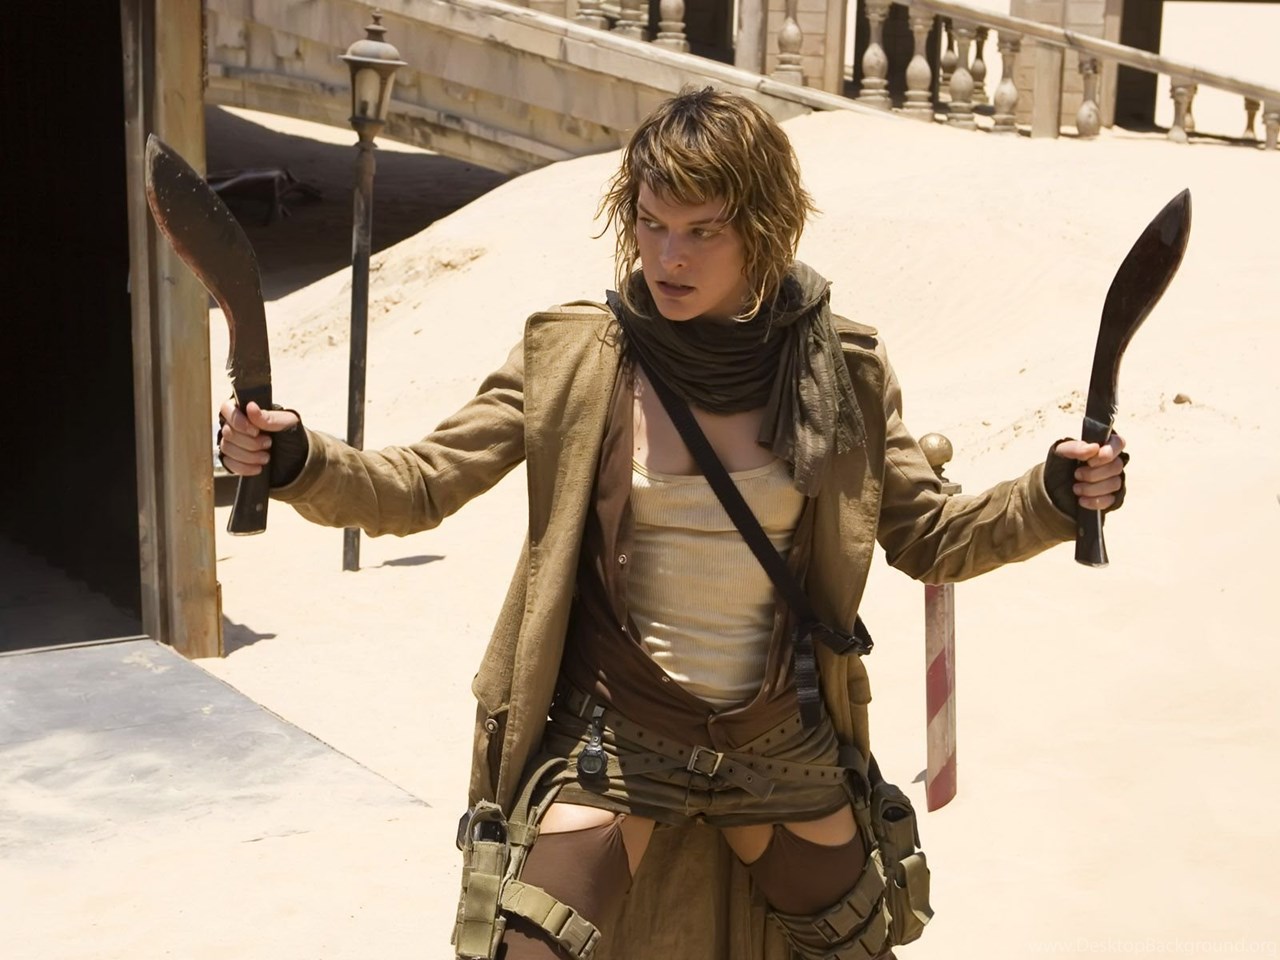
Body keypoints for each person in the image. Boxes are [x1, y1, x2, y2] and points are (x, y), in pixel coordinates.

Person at [218, 88, 1126, 960]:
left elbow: (933, 536)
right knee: (523, 944)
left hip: (778, 739)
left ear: (763, 230)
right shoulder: (578, 357)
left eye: (702, 231)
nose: (668, 257)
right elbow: (418, 486)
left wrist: (1053, 493)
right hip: (619, 735)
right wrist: (299, 459)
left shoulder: (839, 370)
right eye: (652, 223)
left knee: (863, 945)